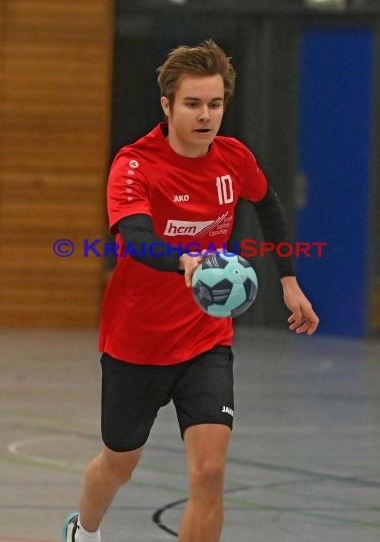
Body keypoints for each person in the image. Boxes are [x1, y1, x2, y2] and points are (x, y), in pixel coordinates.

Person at [63, 39, 319, 542]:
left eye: (216, 104)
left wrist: (289, 280)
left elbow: (268, 206)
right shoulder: (135, 164)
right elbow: (134, 238)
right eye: (193, 104)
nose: (206, 115)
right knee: (118, 464)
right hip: (136, 342)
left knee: (209, 474)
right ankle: (83, 530)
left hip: (205, 339)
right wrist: (184, 258)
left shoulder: (233, 159)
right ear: (167, 105)